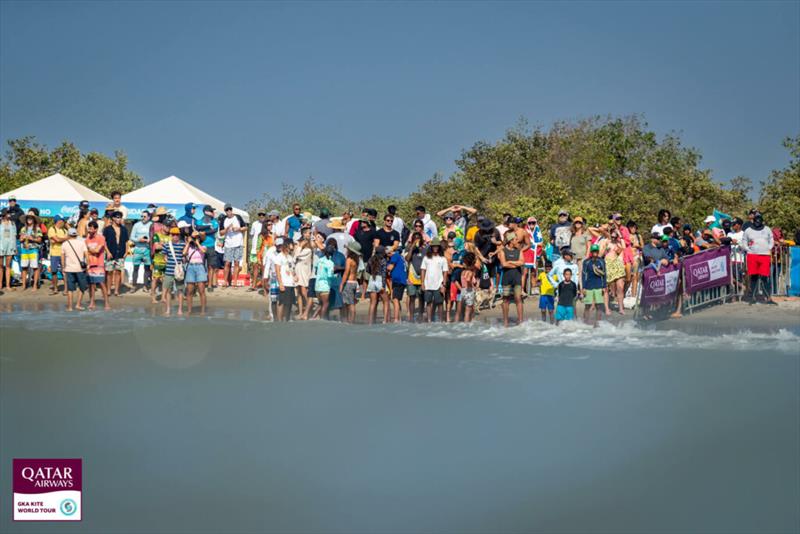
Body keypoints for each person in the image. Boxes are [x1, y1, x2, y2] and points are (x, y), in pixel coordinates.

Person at [741, 212, 775, 304]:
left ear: (762, 221)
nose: (758, 222)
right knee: (754, 277)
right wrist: (747, 249)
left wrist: (769, 247)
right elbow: (744, 241)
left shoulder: (767, 229)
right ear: (753, 221)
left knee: (765, 277)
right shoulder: (748, 230)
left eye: (759, 221)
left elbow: (771, 239)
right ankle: (752, 298)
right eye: (756, 221)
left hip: (765, 255)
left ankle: (768, 298)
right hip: (752, 256)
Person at [497, 232, 524, 327]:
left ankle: (520, 321)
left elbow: (522, 262)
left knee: (518, 299)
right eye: (516, 240)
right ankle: (505, 321)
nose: (518, 241)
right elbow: (504, 264)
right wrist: (515, 264)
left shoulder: (519, 251)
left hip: (517, 278)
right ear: (511, 241)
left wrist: (510, 262)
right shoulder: (502, 251)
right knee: (505, 300)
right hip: (507, 278)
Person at [420, 237, 448, 322]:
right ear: (431, 247)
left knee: (439, 303)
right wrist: (422, 283)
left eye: (437, 246)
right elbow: (423, 270)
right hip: (428, 284)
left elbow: (445, 272)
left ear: (439, 247)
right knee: (428, 303)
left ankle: (440, 320)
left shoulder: (443, 258)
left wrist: (444, 285)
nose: (435, 248)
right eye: (434, 246)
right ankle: (429, 320)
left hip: (439, 284)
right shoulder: (426, 258)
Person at [60, 228, 89, 311]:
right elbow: (86, 255)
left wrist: (63, 267)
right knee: (81, 287)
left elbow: (62, 257)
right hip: (80, 269)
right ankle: (78, 305)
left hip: (69, 269)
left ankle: (69, 307)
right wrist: (88, 265)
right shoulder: (81, 243)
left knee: (70, 289)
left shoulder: (64, 244)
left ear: (68, 235)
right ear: (76, 234)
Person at [85, 220, 110, 310]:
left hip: (99, 264)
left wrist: (89, 249)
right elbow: (87, 252)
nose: (89, 230)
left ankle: (107, 303)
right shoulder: (87, 239)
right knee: (91, 284)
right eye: (89, 227)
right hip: (90, 264)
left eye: (91, 228)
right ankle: (92, 302)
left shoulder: (101, 238)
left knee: (102, 283)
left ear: (96, 229)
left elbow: (97, 250)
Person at [103, 211, 129, 297]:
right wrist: (108, 252)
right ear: (113, 218)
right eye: (117, 217)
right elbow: (104, 242)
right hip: (110, 252)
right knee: (109, 272)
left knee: (118, 272)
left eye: (120, 217)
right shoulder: (107, 229)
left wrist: (126, 251)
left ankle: (117, 290)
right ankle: (109, 290)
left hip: (120, 252)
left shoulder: (123, 229)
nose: (119, 219)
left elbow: (126, 241)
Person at [582, 244, 608, 325]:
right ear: (591, 252)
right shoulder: (586, 262)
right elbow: (584, 275)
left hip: (599, 286)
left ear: (598, 251)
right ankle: (586, 322)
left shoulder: (601, 261)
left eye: (596, 251)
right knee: (587, 305)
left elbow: (604, 274)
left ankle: (598, 323)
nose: (595, 253)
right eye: (593, 251)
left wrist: (604, 286)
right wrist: (583, 287)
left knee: (599, 305)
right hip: (589, 286)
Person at [220, 204, 246, 288]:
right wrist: (227, 229)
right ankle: (225, 282)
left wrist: (238, 229)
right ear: (225, 211)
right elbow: (221, 233)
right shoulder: (224, 219)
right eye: (227, 210)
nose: (228, 211)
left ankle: (234, 282)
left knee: (236, 263)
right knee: (227, 263)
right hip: (228, 244)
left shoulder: (238, 217)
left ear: (232, 210)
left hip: (238, 243)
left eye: (230, 209)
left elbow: (245, 228)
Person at [162, 227, 186, 316]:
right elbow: (164, 256)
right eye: (173, 234)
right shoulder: (166, 245)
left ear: (179, 235)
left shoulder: (183, 244)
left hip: (179, 271)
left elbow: (184, 256)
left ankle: (180, 309)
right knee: (168, 290)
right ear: (170, 235)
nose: (175, 236)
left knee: (180, 290)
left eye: (177, 234)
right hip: (169, 271)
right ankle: (168, 309)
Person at [183, 231, 208, 315]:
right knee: (189, 291)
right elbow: (184, 253)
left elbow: (203, 251)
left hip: (200, 267)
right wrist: (188, 242)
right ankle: (189, 310)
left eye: (197, 238)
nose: (195, 239)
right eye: (194, 238)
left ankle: (203, 310)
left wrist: (197, 242)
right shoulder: (189, 247)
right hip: (190, 266)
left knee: (201, 290)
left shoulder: (203, 245)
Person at [195, 205, 220, 291]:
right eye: (211, 211)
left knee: (211, 266)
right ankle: (199, 284)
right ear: (206, 211)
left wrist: (204, 231)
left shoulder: (214, 221)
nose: (213, 213)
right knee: (200, 266)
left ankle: (209, 285)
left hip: (211, 246)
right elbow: (197, 228)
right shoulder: (199, 221)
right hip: (201, 246)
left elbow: (215, 230)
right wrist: (208, 227)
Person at [150, 207, 170, 303]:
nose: (168, 228)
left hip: (166, 260)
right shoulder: (156, 231)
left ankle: (163, 297)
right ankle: (153, 297)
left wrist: (162, 245)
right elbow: (156, 246)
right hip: (158, 260)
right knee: (155, 279)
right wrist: (165, 246)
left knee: (165, 280)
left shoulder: (170, 236)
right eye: (167, 226)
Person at [405, 232, 426, 322]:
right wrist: (412, 247)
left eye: (418, 238)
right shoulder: (410, 248)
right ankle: (411, 316)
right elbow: (407, 259)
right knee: (412, 297)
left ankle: (420, 315)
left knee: (421, 297)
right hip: (412, 277)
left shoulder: (425, 249)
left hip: (422, 277)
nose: (417, 239)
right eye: (415, 238)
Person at [129, 210, 152, 293]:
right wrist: (139, 240)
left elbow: (153, 237)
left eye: (145, 216)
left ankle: (145, 286)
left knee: (147, 269)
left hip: (147, 249)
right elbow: (132, 237)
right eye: (141, 216)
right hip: (138, 249)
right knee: (136, 268)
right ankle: (134, 286)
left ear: (149, 217)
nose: (143, 218)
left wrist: (148, 240)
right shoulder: (136, 225)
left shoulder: (151, 225)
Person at [274, 238, 297, 321]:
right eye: (292, 244)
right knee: (282, 302)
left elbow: (291, 268)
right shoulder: (279, 256)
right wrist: (280, 283)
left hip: (291, 283)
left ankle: (287, 319)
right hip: (284, 282)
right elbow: (277, 271)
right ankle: (280, 320)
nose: (293, 246)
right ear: (287, 245)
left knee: (290, 302)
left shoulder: (290, 257)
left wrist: (295, 276)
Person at [18, 213, 42, 291]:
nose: (29, 219)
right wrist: (22, 238)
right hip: (24, 250)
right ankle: (24, 285)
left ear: (34, 220)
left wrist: (32, 238)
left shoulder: (37, 229)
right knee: (24, 267)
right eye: (28, 218)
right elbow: (20, 239)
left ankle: (34, 285)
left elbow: (39, 240)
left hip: (33, 250)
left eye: (31, 218)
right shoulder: (23, 229)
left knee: (35, 268)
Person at [294, 227, 314, 320]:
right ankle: (301, 312)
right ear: (303, 234)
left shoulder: (310, 245)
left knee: (303, 290)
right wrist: (300, 245)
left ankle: (310, 305)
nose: (308, 235)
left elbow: (297, 255)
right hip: (298, 268)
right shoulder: (299, 243)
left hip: (305, 269)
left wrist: (300, 246)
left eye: (310, 233)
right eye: (307, 233)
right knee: (298, 292)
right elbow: (295, 256)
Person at [366, 245, 389, 324]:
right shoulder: (383, 260)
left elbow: (367, 270)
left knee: (372, 303)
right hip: (379, 280)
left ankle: (370, 322)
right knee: (386, 301)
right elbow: (384, 274)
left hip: (372, 279)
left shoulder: (370, 259)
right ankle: (385, 321)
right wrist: (383, 285)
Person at [340, 241, 362, 323]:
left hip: (348, 283)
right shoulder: (357, 259)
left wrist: (342, 284)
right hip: (354, 283)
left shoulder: (349, 259)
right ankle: (350, 320)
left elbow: (346, 273)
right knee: (351, 302)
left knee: (349, 303)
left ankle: (350, 321)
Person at [313, 242, 336, 320]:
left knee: (320, 304)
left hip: (317, 285)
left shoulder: (319, 260)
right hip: (325, 286)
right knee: (326, 304)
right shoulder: (330, 263)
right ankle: (322, 319)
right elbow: (330, 276)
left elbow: (316, 270)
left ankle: (313, 317)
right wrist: (334, 275)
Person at [47, 215, 69, 295]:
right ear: (58, 221)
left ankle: (66, 289)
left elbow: (70, 237)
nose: (64, 222)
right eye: (63, 221)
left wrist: (59, 240)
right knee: (54, 272)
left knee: (65, 271)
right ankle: (55, 288)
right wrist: (64, 239)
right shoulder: (52, 229)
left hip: (64, 253)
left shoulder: (64, 230)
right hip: (54, 254)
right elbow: (56, 239)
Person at [387, 246, 407, 323]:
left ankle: (396, 319)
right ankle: (399, 318)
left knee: (395, 299)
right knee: (397, 300)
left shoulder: (395, 256)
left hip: (398, 281)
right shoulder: (400, 257)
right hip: (400, 280)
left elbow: (390, 268)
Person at [457, 251, 478, 322]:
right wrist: (472, 285)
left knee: (460, 311)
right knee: (467, 312)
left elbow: (463, 281)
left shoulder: (463, 272)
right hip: (469, 291)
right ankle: (467, 327)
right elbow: (468, 280)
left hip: (462, 291)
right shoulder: (470, 273)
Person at [0, 208, 17, 290]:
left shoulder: (13, 223)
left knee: (8, 266)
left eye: (9, 213)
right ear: (4, 214)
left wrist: (15, 248)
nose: (9, 214)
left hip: (10, 246)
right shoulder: (0, 222)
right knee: (0, 266)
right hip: (1, 246)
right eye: (8, 213)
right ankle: (0, 285)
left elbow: (14, 236)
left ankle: (7, 285)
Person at [248, 209, 266, 289]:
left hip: (263, 249)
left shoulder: (267, 224)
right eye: (260, 214)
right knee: (255, 267)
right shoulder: (254, 224)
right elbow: (251, 235)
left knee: (263, 267)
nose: (261, 216)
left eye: (263, 214)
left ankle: (264, 285)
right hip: (255, 249)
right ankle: (254, 285)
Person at [536, 259, 555, 323]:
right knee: (543, 310)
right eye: (547, 269)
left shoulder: (554, 275)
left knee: (551, 311)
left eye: (549, 269)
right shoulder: (542, 274)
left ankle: (552, 323)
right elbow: (538, 281)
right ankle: (543, 322)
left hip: (551, 295)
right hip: (543, 295)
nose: (548, 270)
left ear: (552, 268)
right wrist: (538, 283)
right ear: (544, 268)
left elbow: (559, 282)